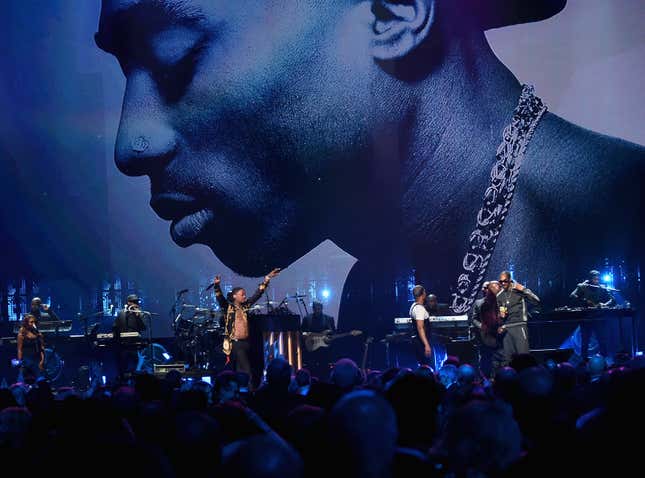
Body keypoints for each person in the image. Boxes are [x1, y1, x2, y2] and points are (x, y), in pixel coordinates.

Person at [96, 1, 644, 327]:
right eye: (126, 71)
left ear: (394, 11)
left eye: (175, 54)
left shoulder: (631, 230)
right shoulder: (374, 291)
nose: (130, 144)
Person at [213, 268, 280, 388]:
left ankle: (242, 391)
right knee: (245, 371)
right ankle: (249, 390)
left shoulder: (245, 306)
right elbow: (220, 298)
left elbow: (257, 295)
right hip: (235, 344)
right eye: (242, 294)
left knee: (242, 370)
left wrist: (267, 279)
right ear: (234, 296)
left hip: (246, 343)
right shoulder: (228, 307)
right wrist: (217, 286)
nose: (244, 296)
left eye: (244, 294)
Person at [570, 270, 617, 361]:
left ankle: (604, 359)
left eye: (598, 279)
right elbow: (572, 295)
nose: (596, 280)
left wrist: (604, 305)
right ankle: (584, 361)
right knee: (585, 341)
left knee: (602, 339)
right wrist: (584, 301)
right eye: (594, 279)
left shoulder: (601, 287)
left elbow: (613, 300)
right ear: (590, 279)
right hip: (586, 317)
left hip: (598, 317)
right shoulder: (583, 286)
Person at [497, 271, 540, 365]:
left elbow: (536, 301)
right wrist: (501, 319)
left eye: (505, 281)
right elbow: (501, 314)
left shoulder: (519, 290)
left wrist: (524, 289)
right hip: (507, 328)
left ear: (510, 280)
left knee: (523, 356)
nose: (503, 283)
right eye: (501, 282)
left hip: (520, 325)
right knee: (508, 359)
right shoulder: (499, 296)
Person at [470, 280, 504, 378]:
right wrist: (481, 326)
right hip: (485, 337)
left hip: (499, 337)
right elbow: (474, 319)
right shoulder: (479, 303)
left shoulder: (502, 302)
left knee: (500, 360)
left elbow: (504, 317)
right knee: (486, 361)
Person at [112, 294, 147, 382]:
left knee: (137, 367)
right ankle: (123, 382)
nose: (135, 304)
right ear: (128, 303)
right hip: (123, 345)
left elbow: (143, 328)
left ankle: (138, 382)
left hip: (136, 345)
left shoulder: (141, 314)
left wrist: (138, 316)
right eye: (133, 302)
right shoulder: (121, 313)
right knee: (123, 367)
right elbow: (115, 328)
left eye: (136, 302)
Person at [301, 301, 336, 378]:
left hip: (324, 352)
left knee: (324, 372)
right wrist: (308, 336)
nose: (317, 310)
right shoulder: (307, 319)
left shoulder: (329, 319)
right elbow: (302, 333)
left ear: (322, 308)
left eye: (319, 308)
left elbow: (333, 334)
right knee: (312, 372)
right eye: (315, 308)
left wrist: (329, 337)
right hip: (311, 351)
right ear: (313, 309)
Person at [16, 314, 45, 384]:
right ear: (26, 323)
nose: (33, 324)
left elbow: (42, 348)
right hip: (26, 360)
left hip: (36, 360)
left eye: (34, 322)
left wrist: (42, 361)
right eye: (31, 322)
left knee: (40, 381)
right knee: (22, 381)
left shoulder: (37, 333)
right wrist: (20, 362)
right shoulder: (21, 334)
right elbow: (19, 349)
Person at [410, 285, 432, 366]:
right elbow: (420, 327)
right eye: (425, 292)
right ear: (423, 294)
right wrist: (426, 345)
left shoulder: (415, 306)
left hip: (419, 341)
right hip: (421, 343)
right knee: (426, 366)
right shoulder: (419, 309)